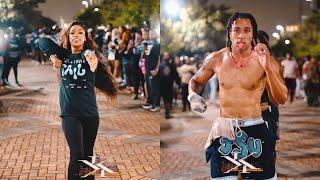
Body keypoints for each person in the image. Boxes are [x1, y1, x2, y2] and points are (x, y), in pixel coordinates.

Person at [188, 12, 287, 179]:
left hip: (255, 129)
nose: (241, 35)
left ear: (253, 34)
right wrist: (192, 96)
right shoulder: (216, 58)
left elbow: (280, 98)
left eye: (247, 30)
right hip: (225, 131)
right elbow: (196, 81)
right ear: (229, 33)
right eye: (237, 30)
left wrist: (267, 68)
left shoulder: (265, 60)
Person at [39, 21, 118, 180]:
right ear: (68, 37)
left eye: (80, 32)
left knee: (88, 157)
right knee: (77, 155)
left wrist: (91, 58)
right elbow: (42, 41)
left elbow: (92, 58)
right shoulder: (63, 55)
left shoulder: (89, 54)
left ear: (85, 37)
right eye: (73, 32)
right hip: (70, 114)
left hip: (90, 114)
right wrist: (53, 55)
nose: (76, 35)